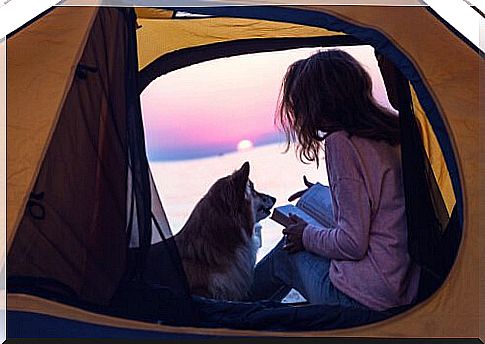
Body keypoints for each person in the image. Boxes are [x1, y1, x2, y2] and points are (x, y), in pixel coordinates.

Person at [249, 49, 420, 312]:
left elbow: (352, 243)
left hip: (366, 300)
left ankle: (224, 317)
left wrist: (305, 236)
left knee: (286, 252)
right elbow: (379, 207)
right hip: (403, 284)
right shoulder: (394, 131)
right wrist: (320, 195)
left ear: (317, 103)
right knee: (304, 233)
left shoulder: (341, 143)